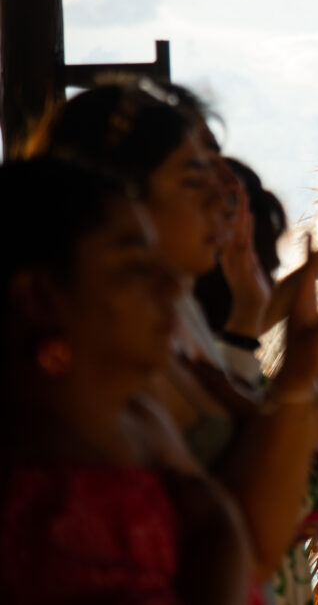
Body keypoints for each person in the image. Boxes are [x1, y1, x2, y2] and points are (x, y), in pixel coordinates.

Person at [23, 78, 318, 584]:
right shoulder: (82, 436)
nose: (220, 193)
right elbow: (252, 527)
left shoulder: (159, 387)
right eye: (195, 174)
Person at [0, 158, 250, 604]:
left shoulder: (140, 423)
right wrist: (221, 530)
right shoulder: (36, 517)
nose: (172, 287)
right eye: (136, 267)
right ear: (39, 297)